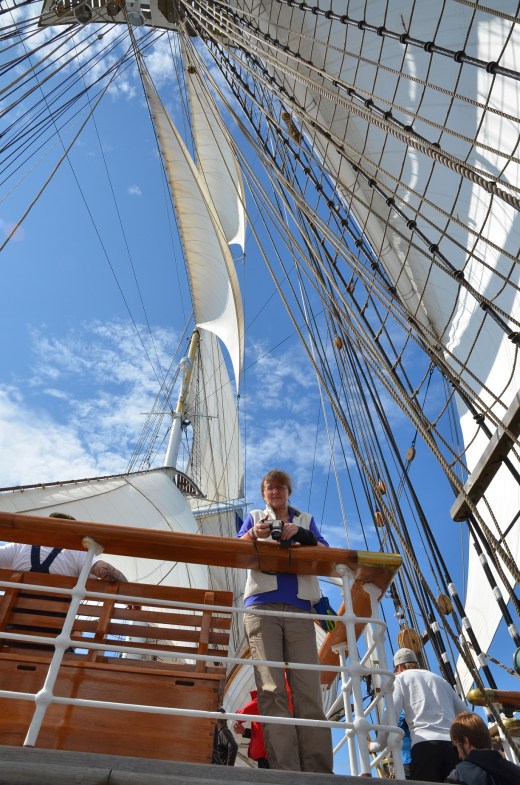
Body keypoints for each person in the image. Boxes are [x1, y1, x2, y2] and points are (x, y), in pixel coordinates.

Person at [236, 468, 333, 773]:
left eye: (280, 487)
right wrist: (254, 534)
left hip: (300, 610)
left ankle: (318, 771)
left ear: (289, 492)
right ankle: (284, 770)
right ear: (264, 494)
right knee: (271, 690)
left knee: (308, 691)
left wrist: (300, 535)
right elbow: (236, 550)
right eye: (269, 488)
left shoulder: (305, 520)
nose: (275, 492)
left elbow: (326, 553)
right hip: (262, 609)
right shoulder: (254, 517)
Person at [369, 647, 467, 782]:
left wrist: (376, 745)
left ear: (399, 667)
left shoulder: (400, 679)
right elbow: (466, 715)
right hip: (454, 747)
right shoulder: (441, 681)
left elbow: (391, 713)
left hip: (425, 747)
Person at [0, 512, 130, 582]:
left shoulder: (20, 546)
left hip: (9, 616)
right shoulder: (77, 552)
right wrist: (129, 596)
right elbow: (105, 570)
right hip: (56, 620)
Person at [446, 712, 520, 785]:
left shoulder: (458, 775)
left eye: (456, 748)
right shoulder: (516, 770)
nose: (459, 756)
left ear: (466, 742)